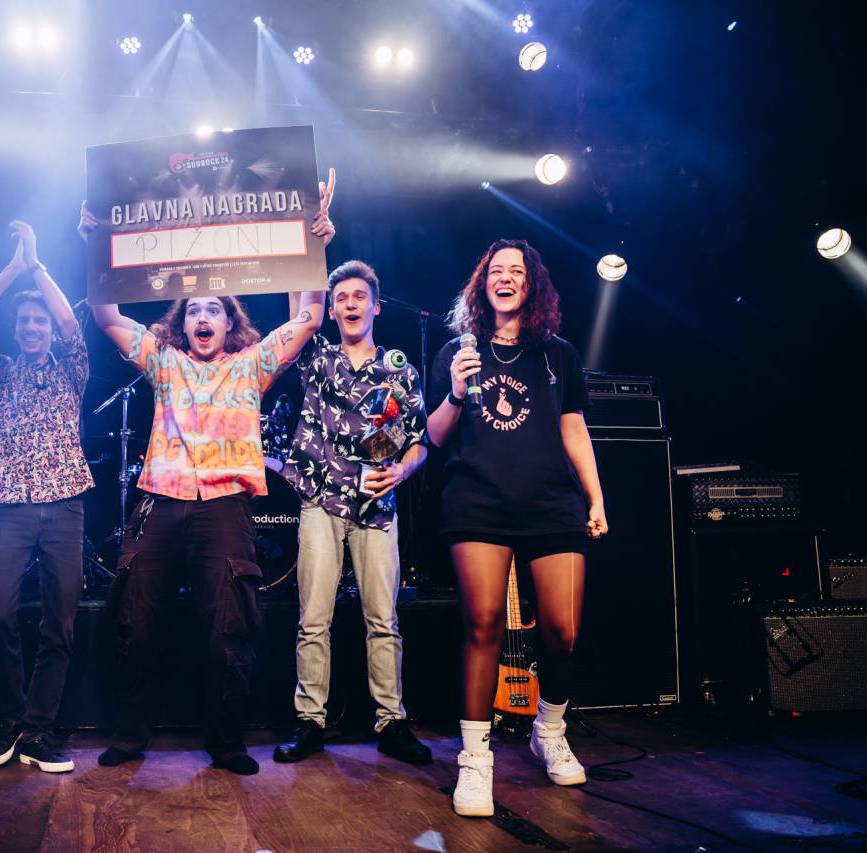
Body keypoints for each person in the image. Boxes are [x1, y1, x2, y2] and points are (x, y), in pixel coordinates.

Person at [82, 178, 335, 775]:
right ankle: (130, 735)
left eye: (213, 309)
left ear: (229, 323)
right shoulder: (163, 361)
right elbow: (105, 312)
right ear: (182, 321)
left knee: (229, 626)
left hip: (225, 507)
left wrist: (313, 246)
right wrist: (97, 243)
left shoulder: (252, 365)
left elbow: (308, 316)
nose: (202, 315)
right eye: (193, 308)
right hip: (161, 501)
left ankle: (227, 743)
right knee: (136, 619)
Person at [425, 239, 609, 817]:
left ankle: (548, 729)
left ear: (533, 285)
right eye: (496, 271)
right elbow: (434, 435)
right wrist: (456, 391)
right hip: (477, 502)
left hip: (551, 504)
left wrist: (595, 497)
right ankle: (476, 761)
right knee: (482, 624)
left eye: (517, 271)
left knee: (563, 631)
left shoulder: (559, 355)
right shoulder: (457, 351)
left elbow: (574, 430)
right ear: (482, 285)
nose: (505, 278)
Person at [272, 259, 432, 766]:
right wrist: (311, 246)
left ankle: (391, 722)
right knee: (313, 620)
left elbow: (420, 441)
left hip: (376, 506)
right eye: (340, 298)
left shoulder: (399, 370)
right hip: (320, 499)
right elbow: (299, 312)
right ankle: (309, 723)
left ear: (376, 307)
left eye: (359, 296)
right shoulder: (317, 354)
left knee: (383, 619)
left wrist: (402, 470)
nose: (349, 304)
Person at [0, 221, 92, 774]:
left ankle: (39, 729)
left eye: (39, 320)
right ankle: (11, 720)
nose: (33, 327)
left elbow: (71, 322)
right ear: (15, 330)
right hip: (9, 507)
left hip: (64, 504)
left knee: (60, 622)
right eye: (24, 321)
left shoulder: (72, 370)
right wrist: (12, 269)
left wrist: (37, 267)